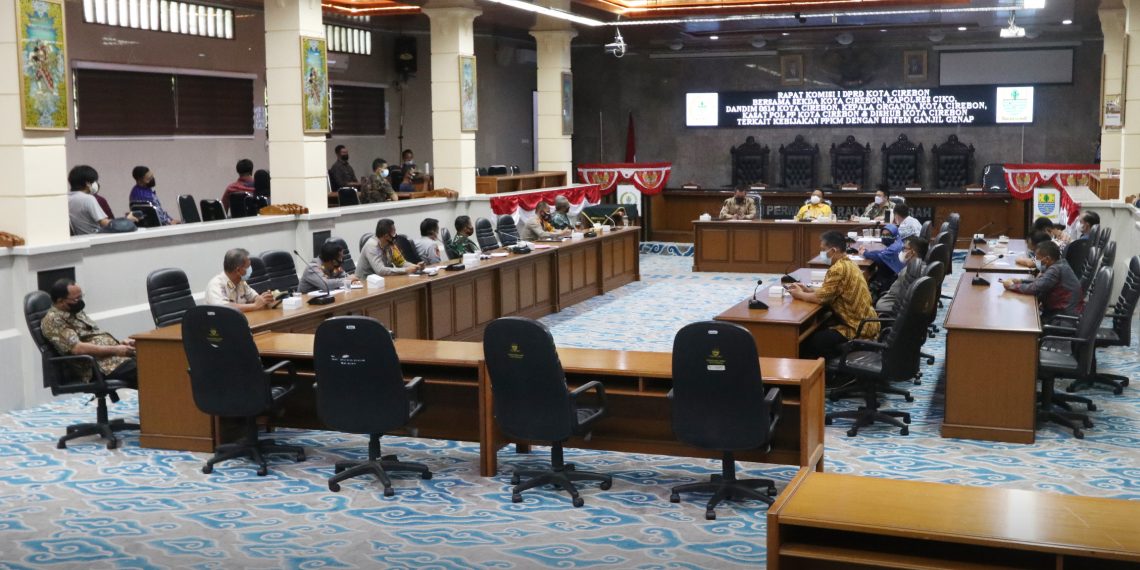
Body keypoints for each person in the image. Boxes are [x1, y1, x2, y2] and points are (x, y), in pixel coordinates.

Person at [787, 231, 880, 360]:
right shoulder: (849, 263)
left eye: (823, 250)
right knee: (823, 328)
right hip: (867, 322)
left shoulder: (837, 269)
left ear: (833, 250)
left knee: (816, 341)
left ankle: (832, 373)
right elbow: (830, 291)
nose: (821, 254)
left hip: (857, 327)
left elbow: (821, 298)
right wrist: (807, 289)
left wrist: (799, 294)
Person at [41, 279, 137, 385]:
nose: (80, 301)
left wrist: (120, 345)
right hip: (99, 366)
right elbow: (78, 349)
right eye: (76, 299)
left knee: (152, 359)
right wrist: (115, 350)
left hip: (112, 357)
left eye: (81, 296)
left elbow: (93, 336)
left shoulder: (75, 311)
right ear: (60, 300)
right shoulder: (53, 320)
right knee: (148, 371)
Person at [1002, 240, 1083, 319]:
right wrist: (1021, 281)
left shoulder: (1055, 270)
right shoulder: (1060, 264)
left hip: (1062, 318)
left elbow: (1034, 288)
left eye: (1037, 258)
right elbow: (1042, 282)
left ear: (1047, 259)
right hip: (1060, 313)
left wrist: (1012, 286)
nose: (1036, 261)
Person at [68, 165, 136, 235]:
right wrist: (127, 220)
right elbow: (105, 223)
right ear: (88, 184)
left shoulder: (67, 198)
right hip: (95, 239)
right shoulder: (88, 199)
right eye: (95, 181)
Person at [204, 248, 274, 311]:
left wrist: (264, 299)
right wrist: (254, 306)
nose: (251, 269)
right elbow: (224, 308)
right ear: (238, 270)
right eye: (248, 267)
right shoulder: (216, 284)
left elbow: (253, 296)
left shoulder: (241, 282)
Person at [875, 236, 928, 316]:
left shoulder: (909, 272)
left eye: (904, 249)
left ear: (912, 253)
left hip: (891, 309)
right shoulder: (922, 267)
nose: (902, 251)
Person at [357, 218, 424, 278]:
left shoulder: (390, 245)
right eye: (394, 232)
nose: (395, 235)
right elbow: (380, 271)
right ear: (386, 236)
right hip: (365, 283)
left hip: (382, 281)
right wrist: (406, 270)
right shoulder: (372, 246)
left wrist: (415, 267)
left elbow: (401, 263)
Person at [860, 223, 905, 296]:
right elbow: (882, 253)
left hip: (891, 279)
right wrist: (868, 252)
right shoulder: (898, 241)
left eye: (887, 235)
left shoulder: (894, 248)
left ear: (894, 235)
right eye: (883, 234)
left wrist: (865, 253)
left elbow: (879, 258)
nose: (884, 237)